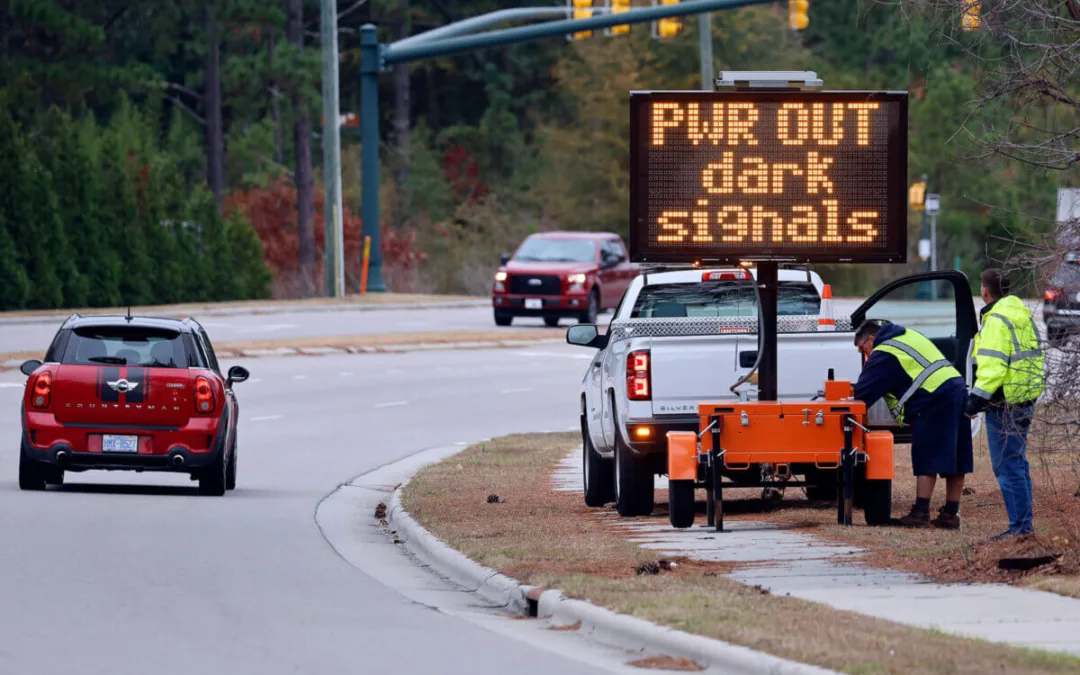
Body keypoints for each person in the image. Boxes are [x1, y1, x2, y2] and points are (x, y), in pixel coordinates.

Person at [853, 320, 973, 528]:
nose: (865, 356)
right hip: (957, 388)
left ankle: (920, 513)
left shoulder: (884, 351)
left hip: (934, 397)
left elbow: (861, 394)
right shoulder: (906, 335)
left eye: (863, 349)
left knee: (927, 455)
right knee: (956, 455)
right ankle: (950, 514)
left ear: (871, 339)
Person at [966, 268, 1045, 540]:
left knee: (1007, 466)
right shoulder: (1021, 314)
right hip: (1025, 398)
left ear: (985, 290)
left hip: (1005, 404)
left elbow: (992, 369)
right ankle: (1023, 525)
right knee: (1017, 462)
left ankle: (1020, 529)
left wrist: (973, 402)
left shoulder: (997, 320)